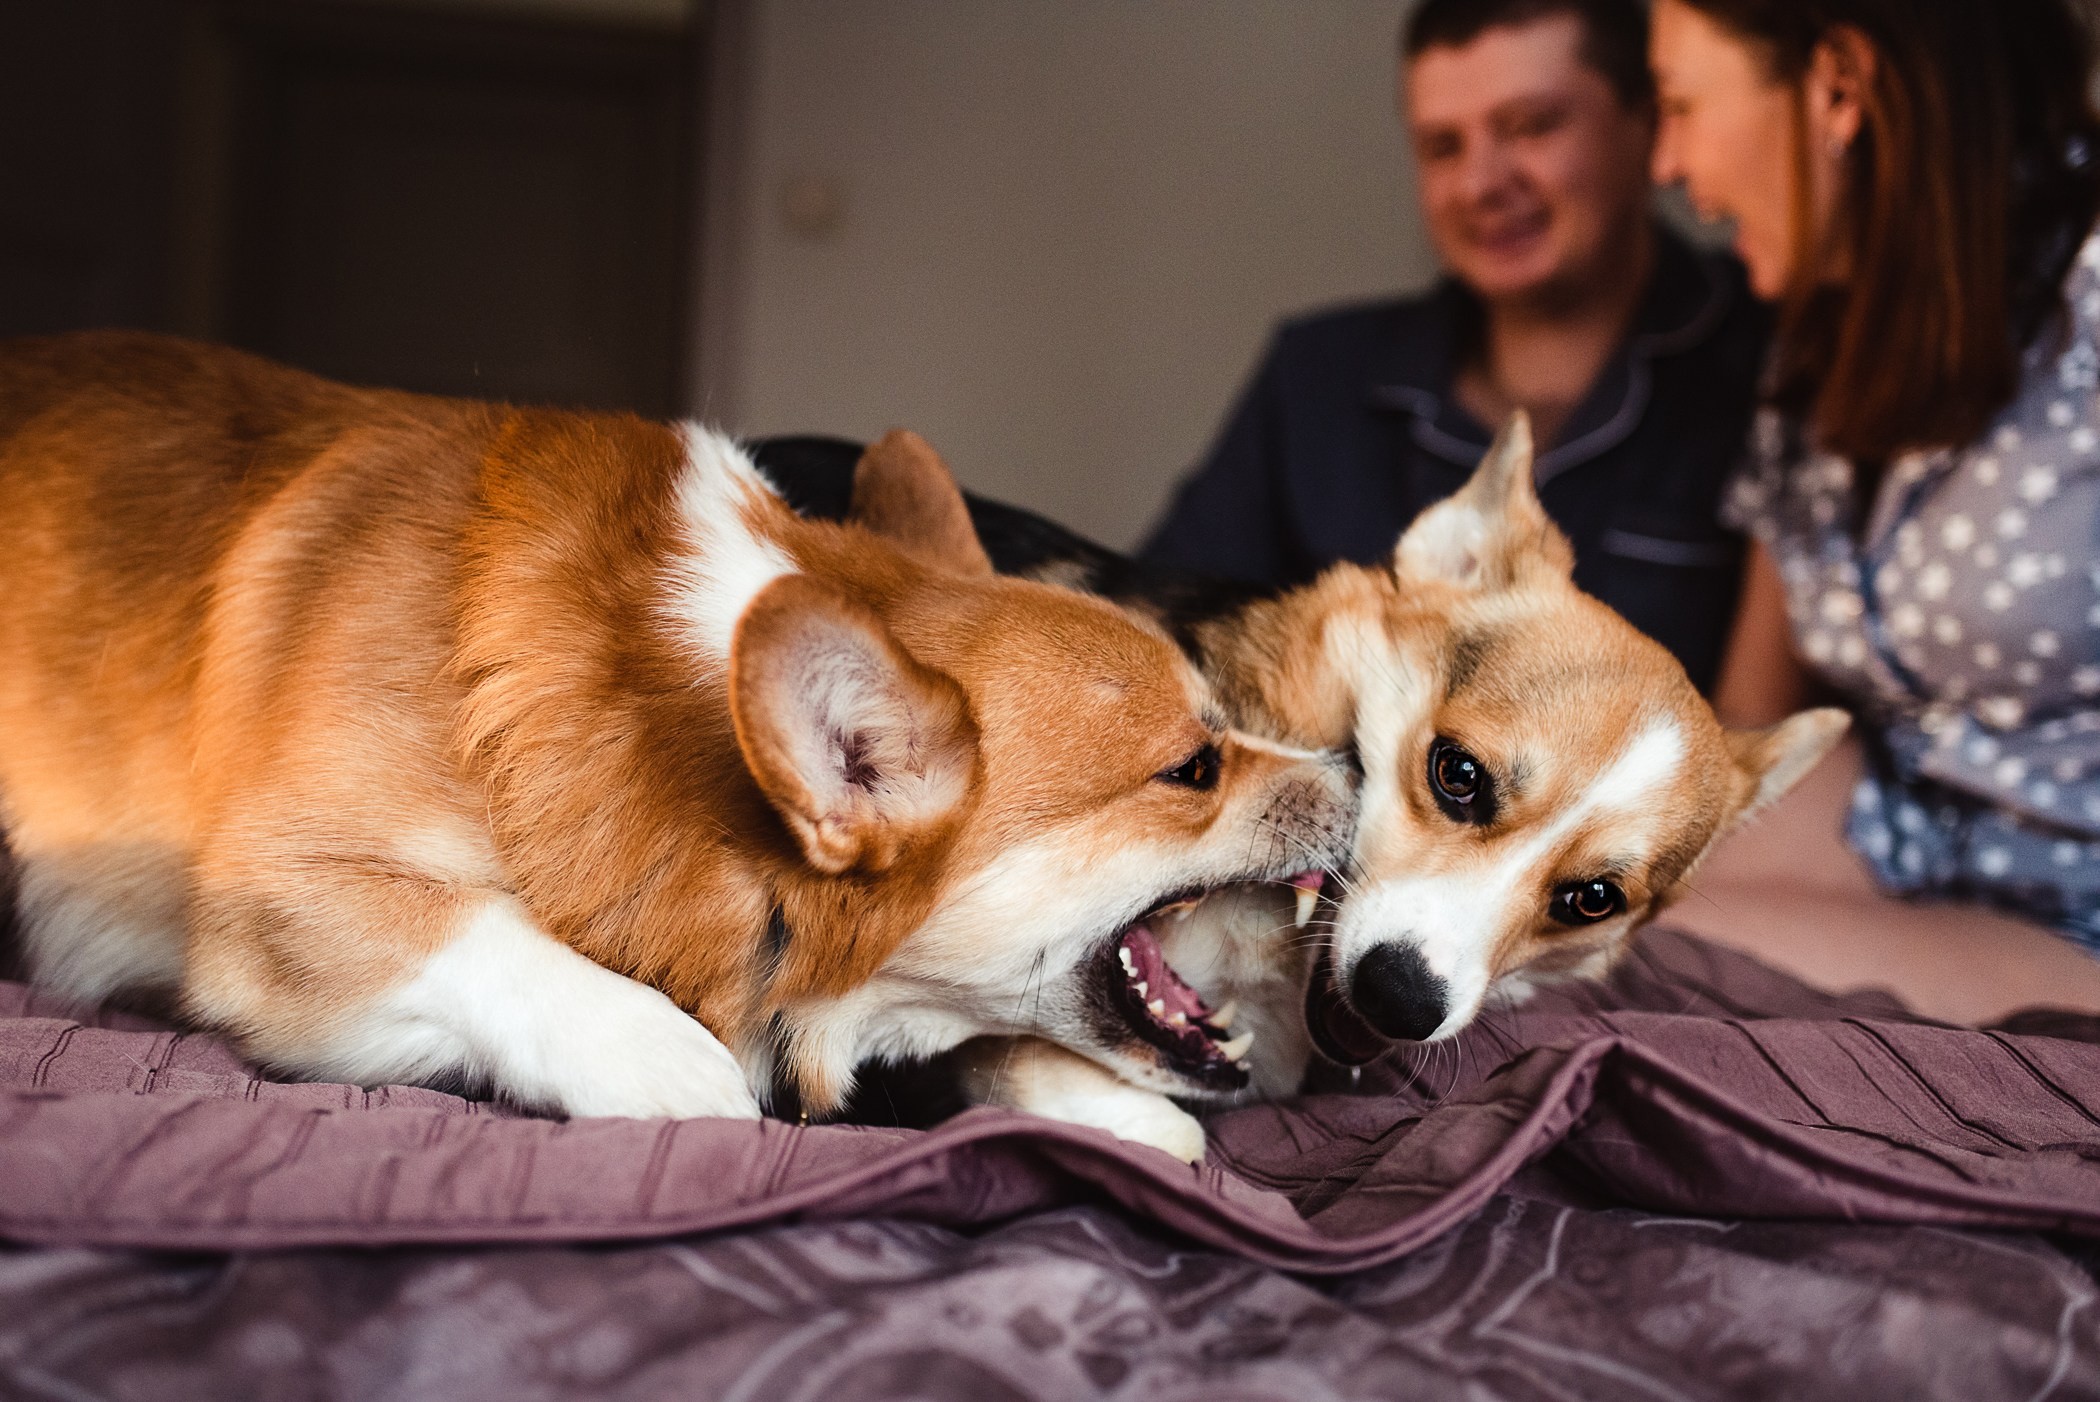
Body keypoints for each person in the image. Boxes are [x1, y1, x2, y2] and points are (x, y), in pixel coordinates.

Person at [1648, 0, 2100, 1011]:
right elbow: (1750, 720)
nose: (1664, 164)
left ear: (1840, 87)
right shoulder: (1823, 341)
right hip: (1903, 841)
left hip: (2072, 912)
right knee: (1550, 894)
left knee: (1612, 955)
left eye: (1681, 104)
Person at [1141, 0, 1769, 692]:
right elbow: (1153, 641)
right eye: (1443, 147)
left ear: (1648, 121)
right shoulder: (1316, 379)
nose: (1481, 184)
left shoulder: (1775, 357)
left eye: (1531, 126)